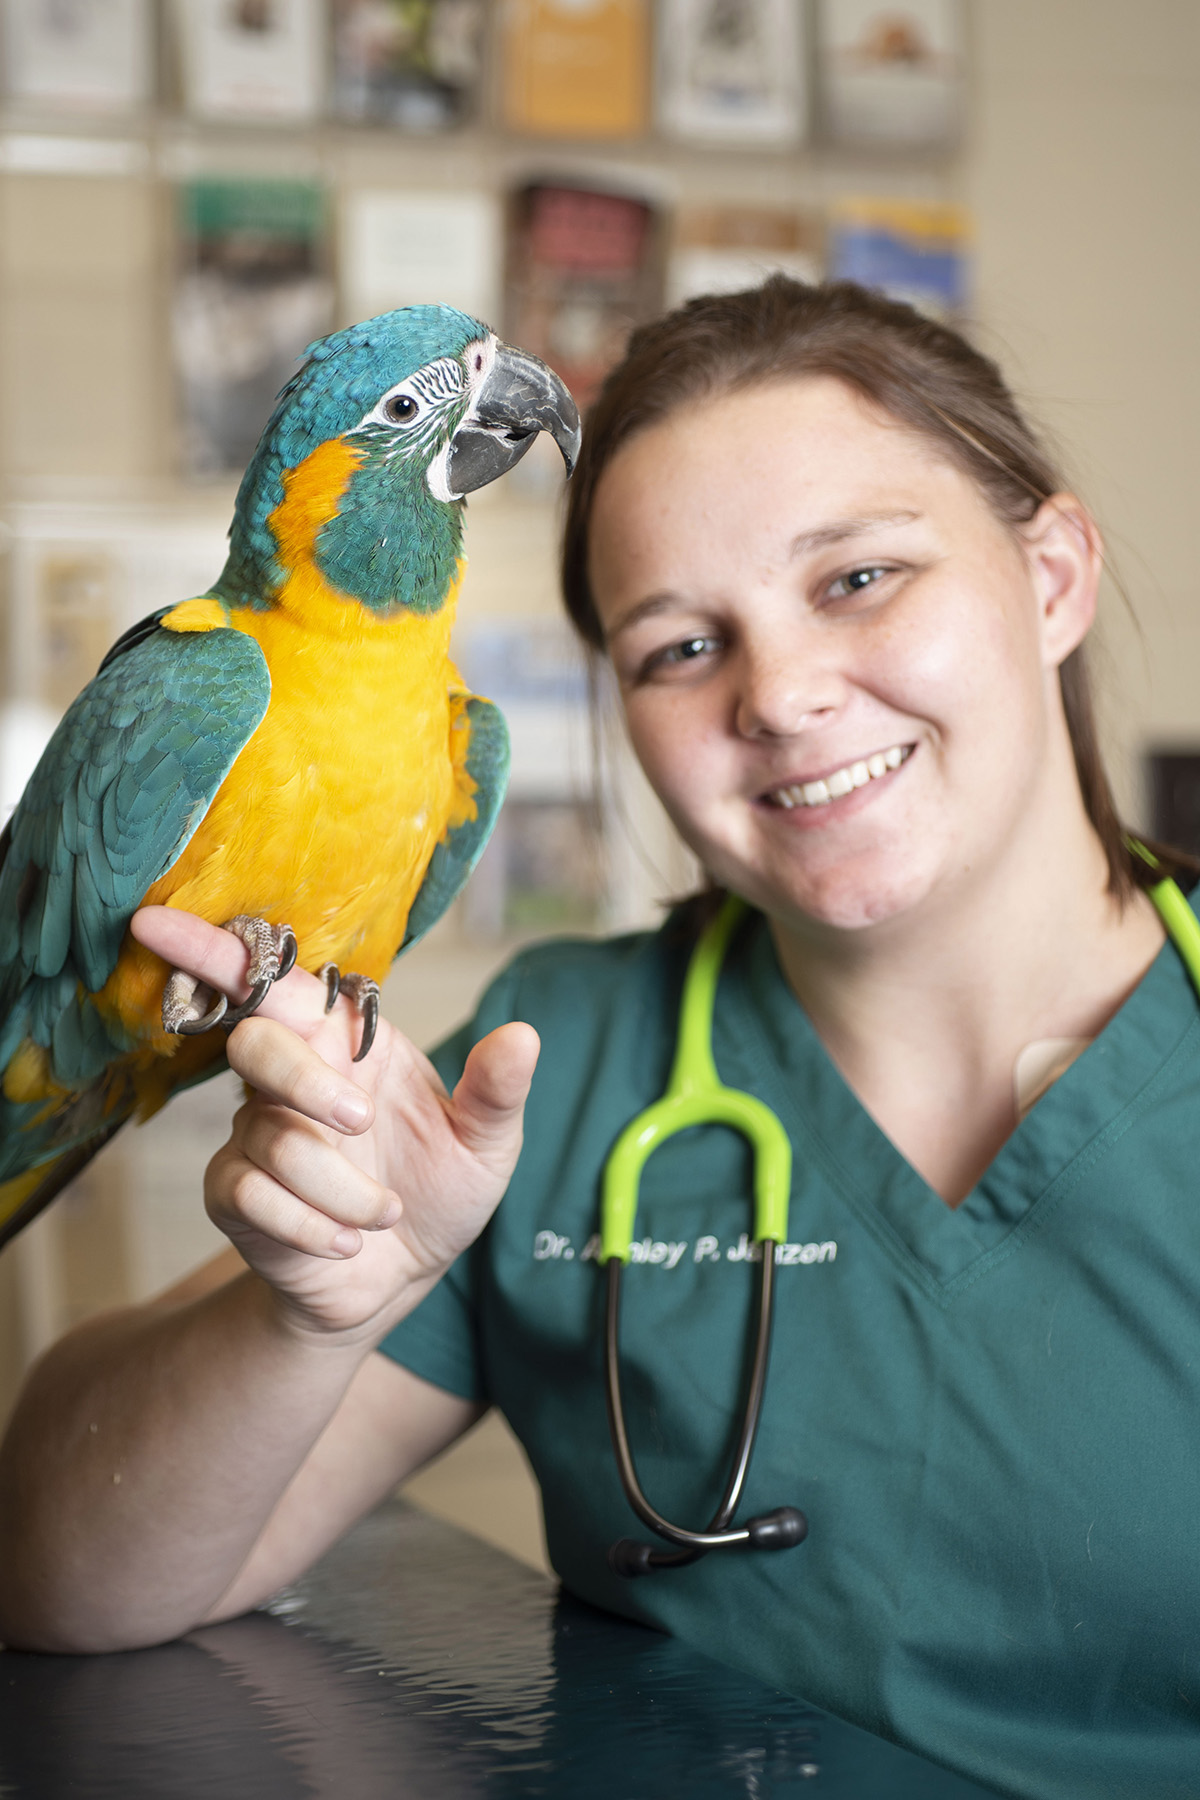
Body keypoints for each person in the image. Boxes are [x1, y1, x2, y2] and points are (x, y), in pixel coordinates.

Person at [1, 277, 1198, 1799]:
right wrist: (313, 1314)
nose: (785, 697)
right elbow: (52, 1574)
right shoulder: (544, 1069)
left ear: (1051, 578)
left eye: (859, 578)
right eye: (678, 648)